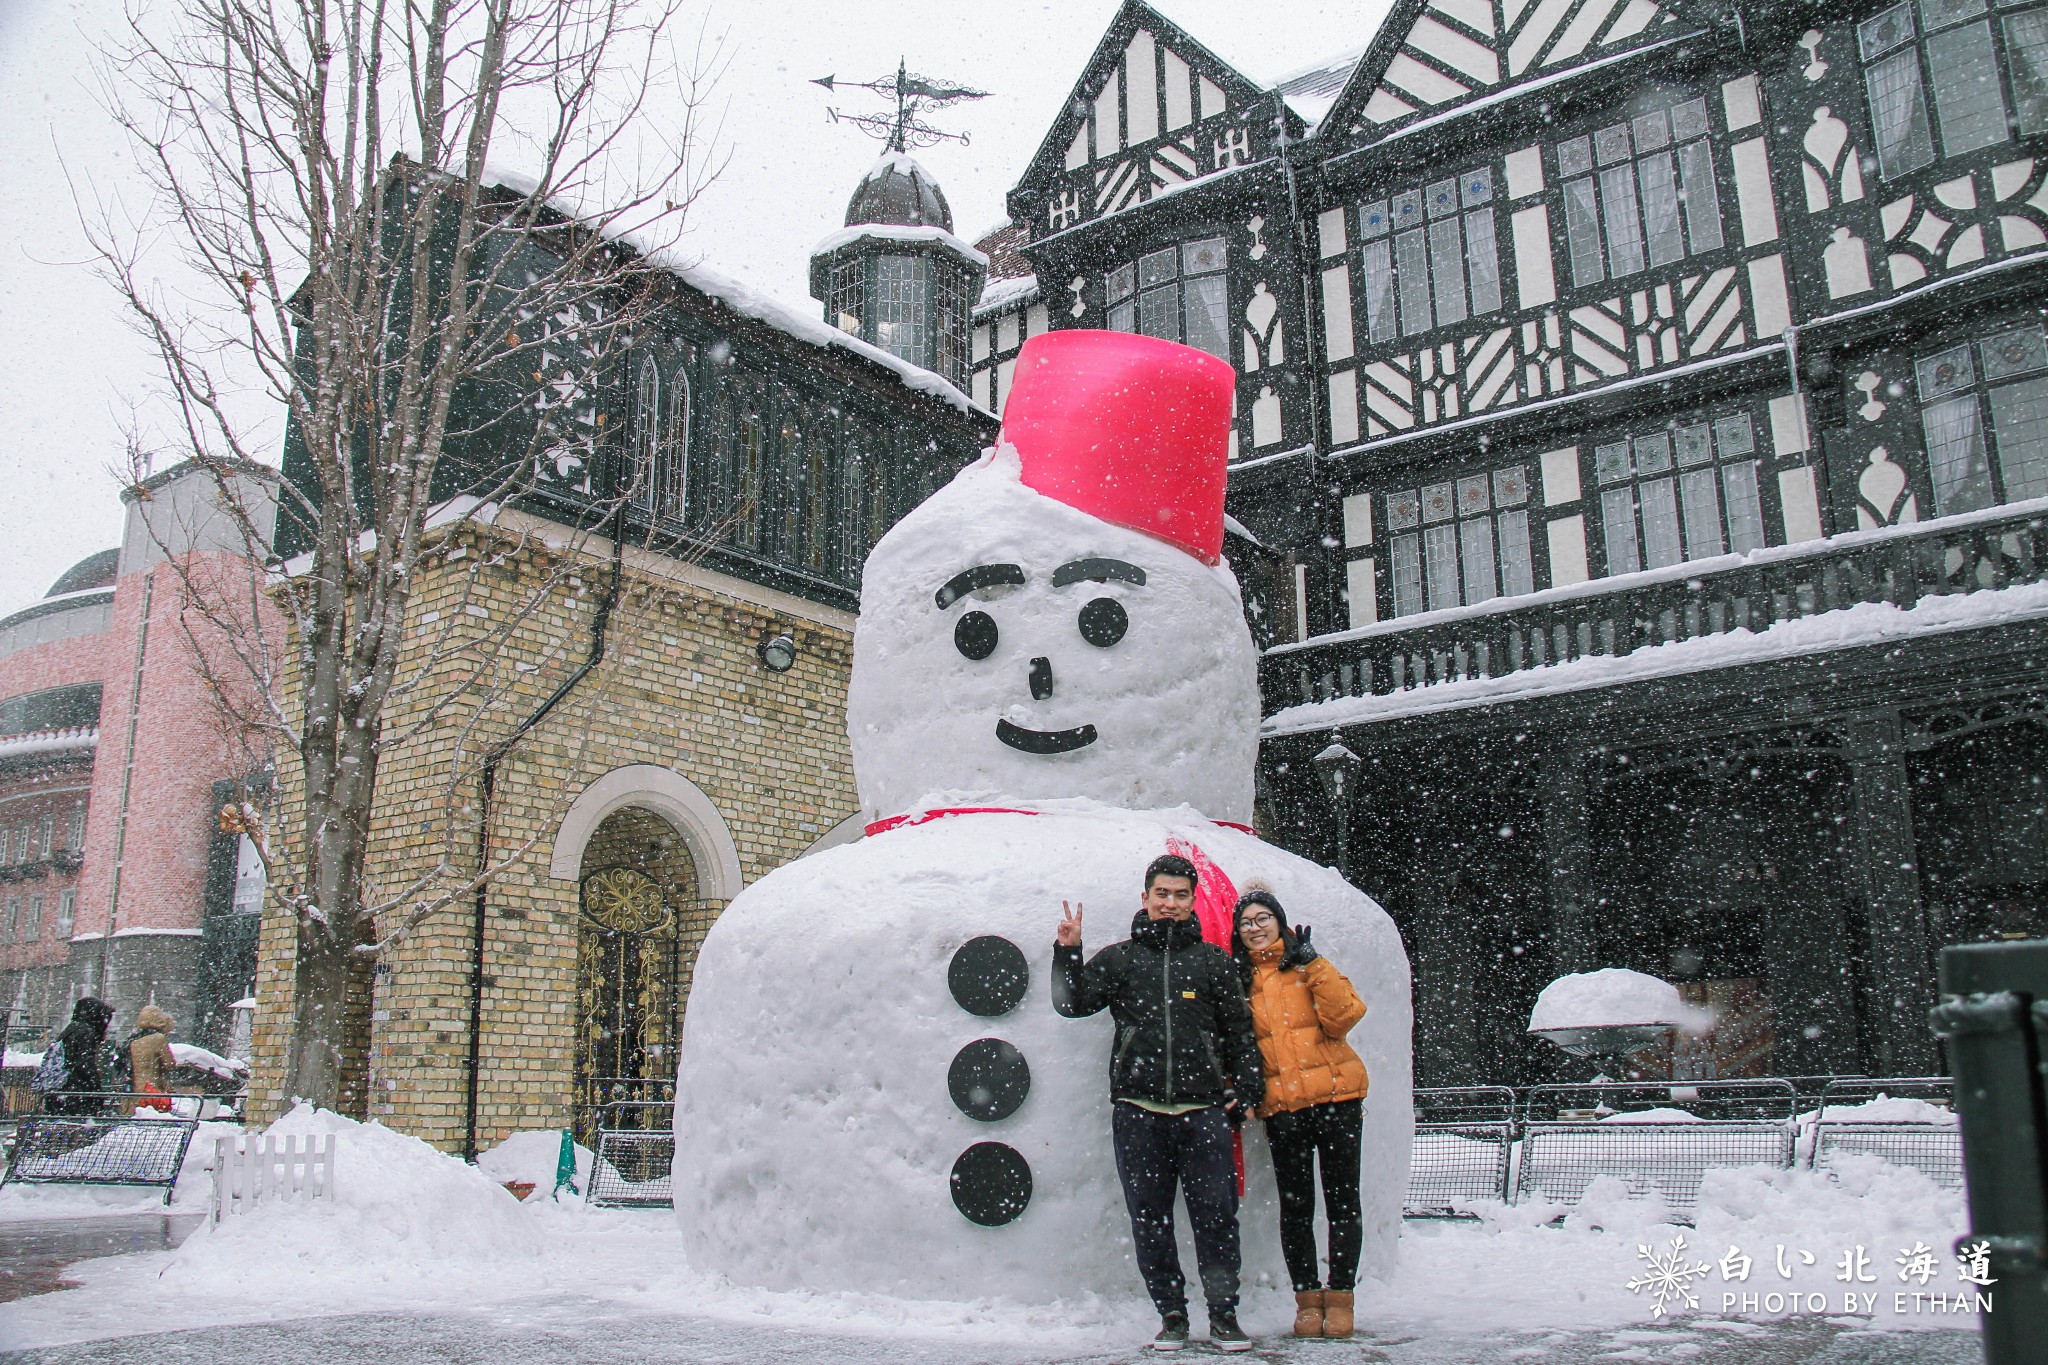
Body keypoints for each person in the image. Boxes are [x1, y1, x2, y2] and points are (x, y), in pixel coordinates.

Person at [1053, 853, 1264, 1353]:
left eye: (1180, 895)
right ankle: (1171, 1315)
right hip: (1138, 1111)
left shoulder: (1212, 962)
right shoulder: (1121, 958)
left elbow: (1239, 1032)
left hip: (1204, 1112)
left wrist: (1249, 1090)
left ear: (1192, 901)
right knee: (1149, 1218)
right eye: (1162, 894)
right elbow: (1072, 1003)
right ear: (1145, 898)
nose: (1170, 903)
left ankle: (1223, 1316)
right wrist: (1069, 951)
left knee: (1216, 1216)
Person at [1231, 887, 1370, 1339]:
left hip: (1336, 1099)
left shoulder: (1306, 966)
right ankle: (1308, 1299)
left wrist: (1313, 964)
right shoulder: (1241, 981)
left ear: (1280, 921)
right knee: (1296, 1208)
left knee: (1342, 1201)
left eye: (1263, 917)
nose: (1255, 927)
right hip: (1284, 1108)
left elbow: (1344, 1016)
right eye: (1246, 921)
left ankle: (1342, 1296)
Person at [45, 997, 115, 1117]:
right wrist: (97, 1089)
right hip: (76, 1095)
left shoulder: (71, 1029)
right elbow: (85, 1063)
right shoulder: (85, 1031)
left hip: (60, 1091)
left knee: (60, 1127)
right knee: (79, 1128)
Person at [123, 1006, 176, 1113]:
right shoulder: (158, 1038)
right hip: (152, 1090)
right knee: (154, 1122)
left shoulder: (133, 1040)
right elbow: (169, 1064)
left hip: (134, 1090)